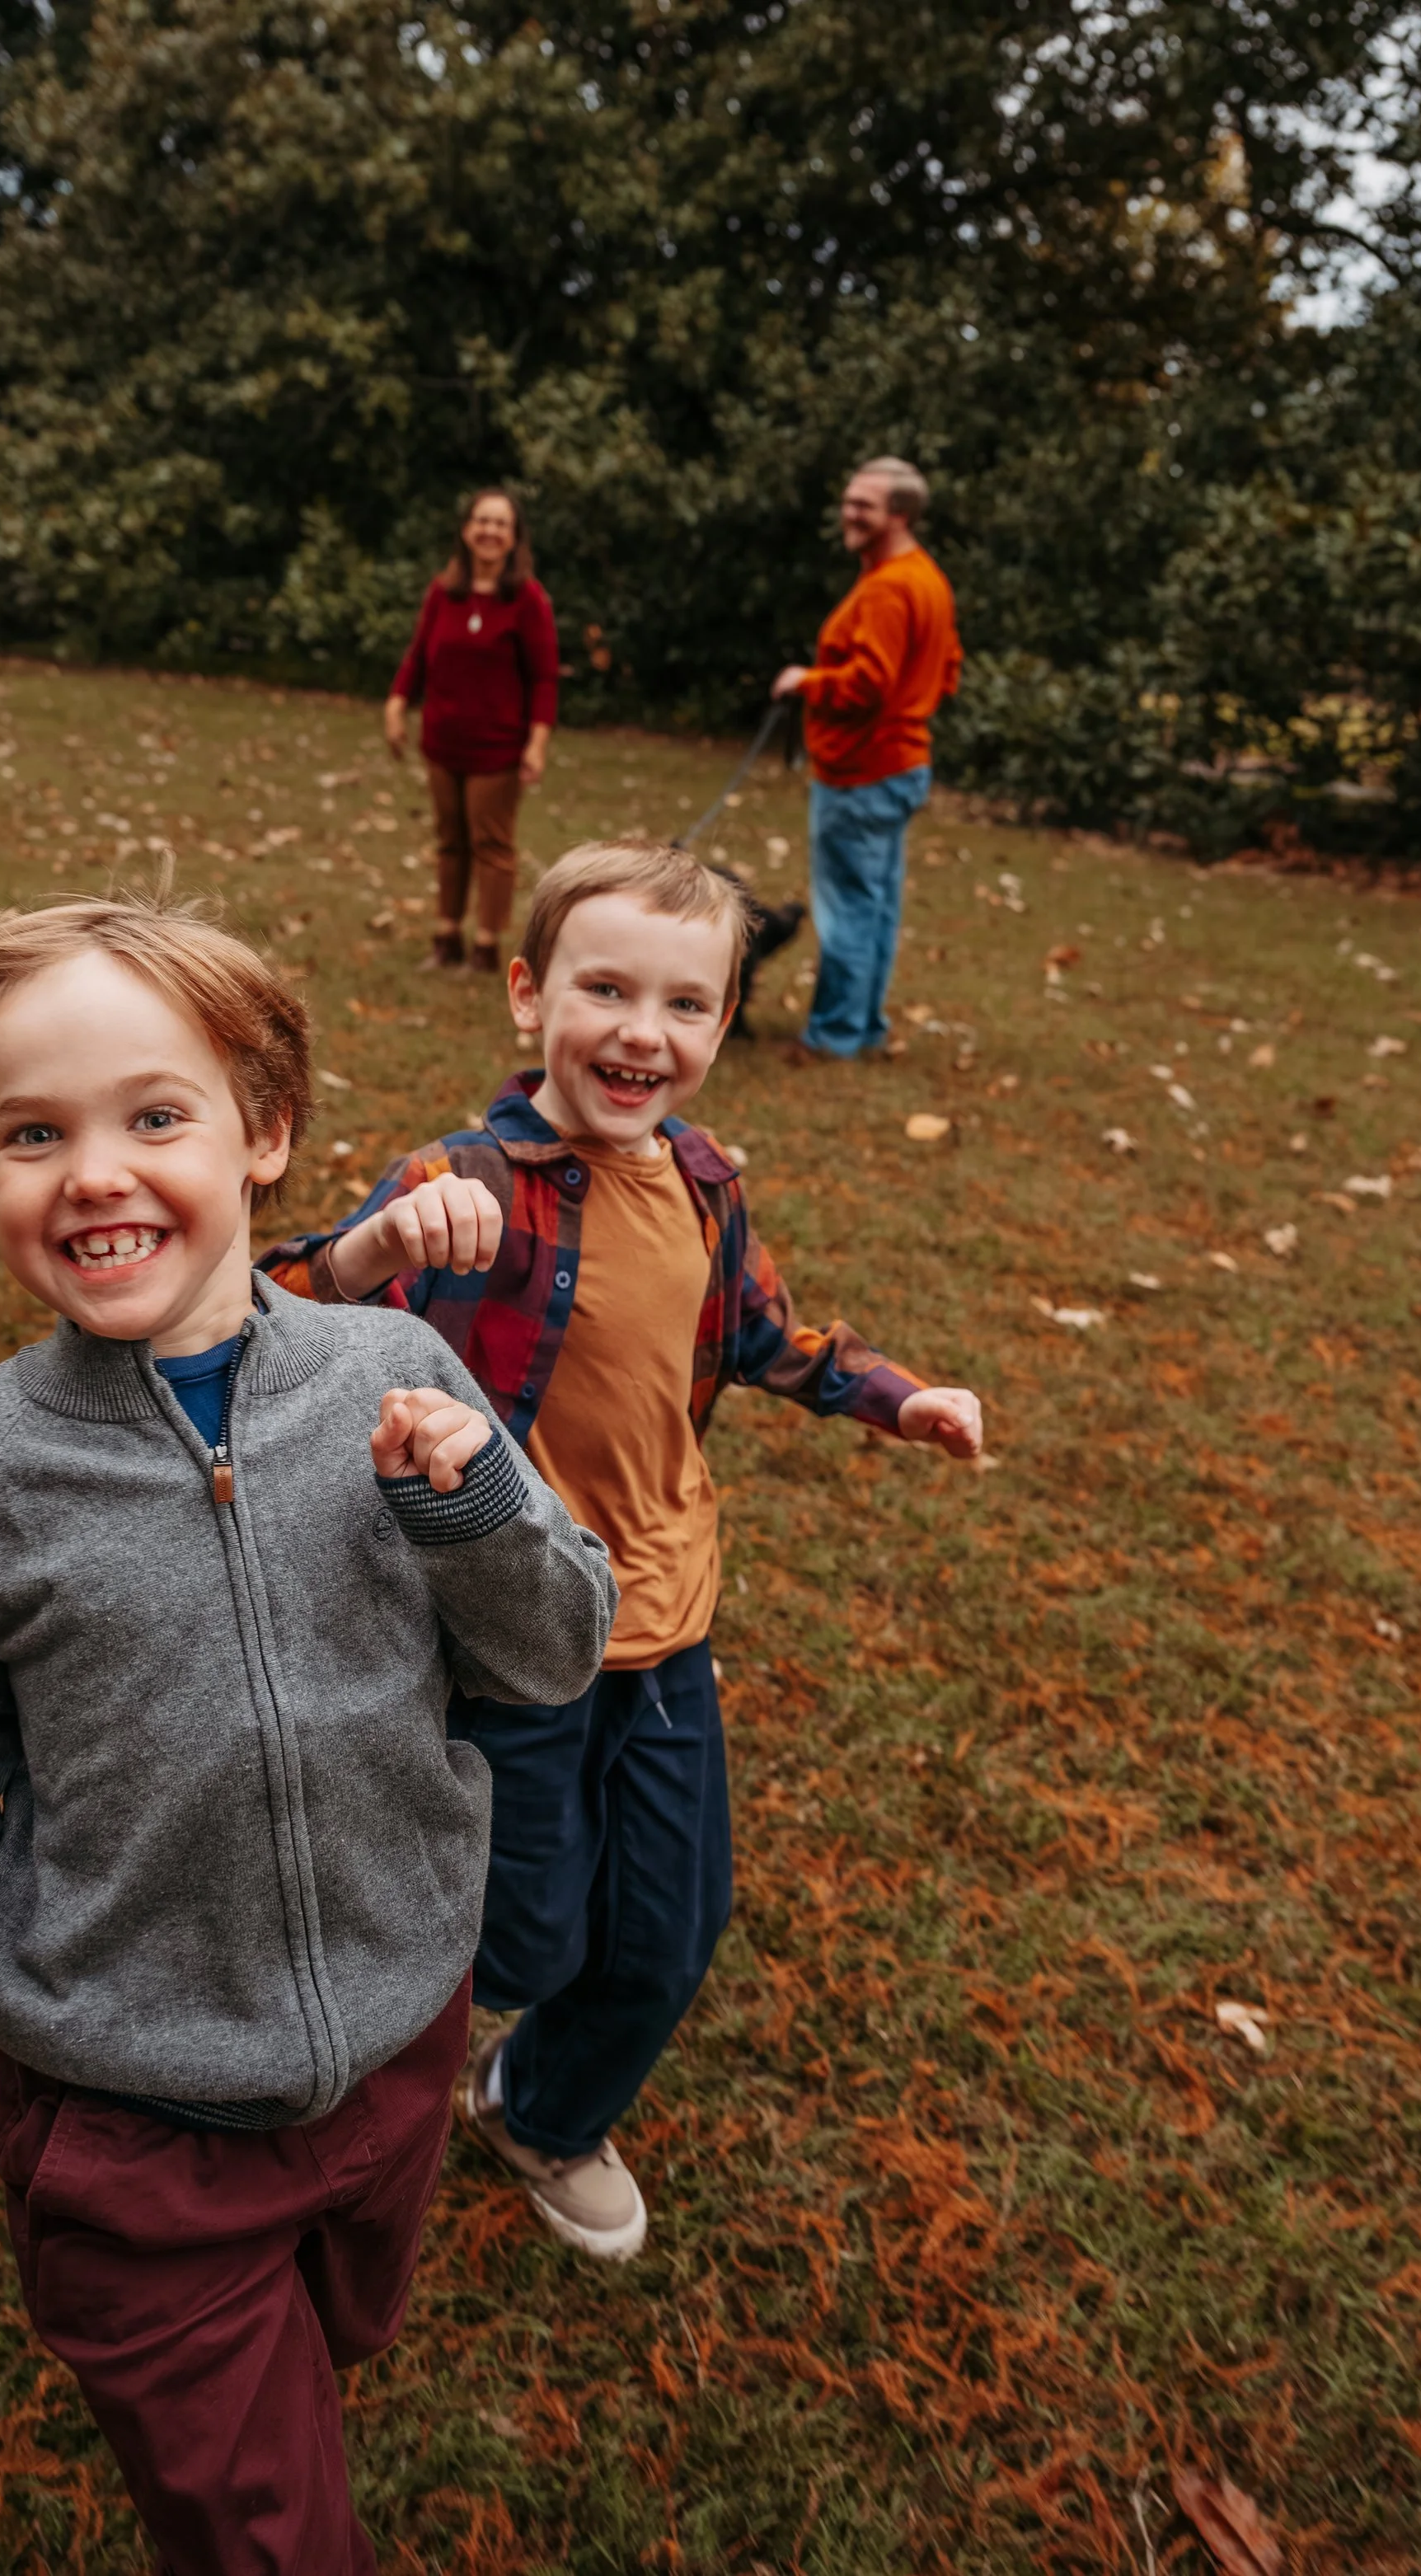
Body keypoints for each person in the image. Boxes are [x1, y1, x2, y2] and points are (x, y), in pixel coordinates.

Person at [0, 893, 616, 2576]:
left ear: (264, 1134)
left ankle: (290, 2358)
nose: (93, 1170)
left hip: (398, 2030)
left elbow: (553, 1651)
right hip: (133, 2105)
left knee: (333, 2333)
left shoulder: (393, 1371)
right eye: (31, 1131)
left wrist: (466, 1505)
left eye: (153, 1113)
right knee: (264, 2520)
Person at [264, 840, 984, 2264]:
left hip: (666, 1627)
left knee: (665, 1934)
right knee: (523, 1944)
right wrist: (369, 1252)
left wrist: (903, 1398)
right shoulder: (467, 1185)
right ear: (530, 997)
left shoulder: (703, 1182)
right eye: (605, 988)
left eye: (687, 1005)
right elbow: (260, 1320)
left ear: (722, 1027)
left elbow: (770, 1340)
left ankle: (542, 2107)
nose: (642, 1033)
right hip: (513, 1629)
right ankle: (320, 2046)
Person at [771, 457, 963, 1060]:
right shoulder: (925, 576)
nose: (849, 513)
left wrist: (806, 681)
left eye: (864, 505)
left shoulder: (889, 588)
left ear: (898, 514)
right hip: (902, 762)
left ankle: (835, 1034)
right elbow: (949, 668)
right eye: (848, 500)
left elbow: (866, 685)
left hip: (863, 769)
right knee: (876, 904)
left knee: (848, 906)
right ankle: (863, 1025)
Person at [385, 487, 560, 978]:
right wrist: (398, 702)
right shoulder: (444, 591)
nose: (489, 531)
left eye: (500, 524)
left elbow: (544, 678)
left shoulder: (527, 600)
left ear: (513, 538)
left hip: (497, 748)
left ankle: (486, 948)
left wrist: (538, 742)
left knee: (491, 845)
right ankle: (446, 938)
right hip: (443, 741)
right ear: (466, 531)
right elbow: (418, 656)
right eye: (482, 521)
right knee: (449, 841)